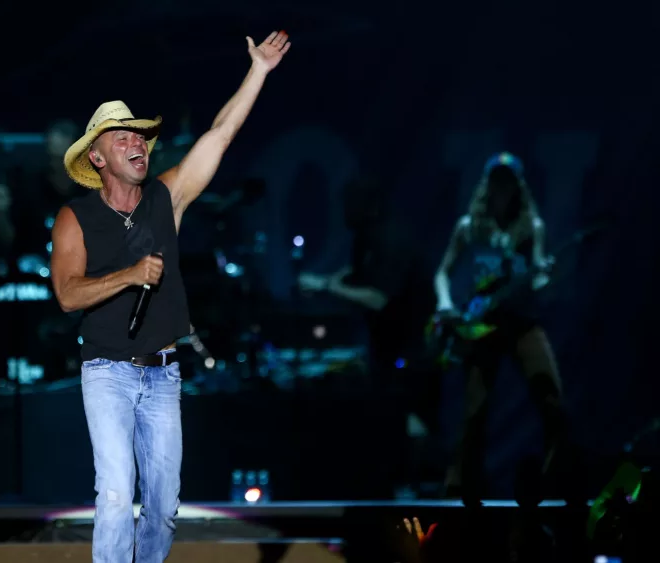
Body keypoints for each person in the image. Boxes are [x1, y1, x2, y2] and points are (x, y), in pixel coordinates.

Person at [50, 30, 290, 563]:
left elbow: (220, 134)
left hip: (162, 372)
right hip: (106, 372)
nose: (136, 144)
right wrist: (130, 274)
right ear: (97, 158)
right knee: (115, 493)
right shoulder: (75, 218)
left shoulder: (166, 197)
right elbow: (67, 295)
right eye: (122, 139)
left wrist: (258, 71)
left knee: (161, 505)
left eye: (139, 137)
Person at [434, 152, 564, 499]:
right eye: (496, 179)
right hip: (484, 325)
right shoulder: (469, 227)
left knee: (550, 395)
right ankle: (461, 487)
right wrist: (445, 304)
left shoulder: (531, 227)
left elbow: (538, 281)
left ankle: (555, 480)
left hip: (521, 322)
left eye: (508, 180)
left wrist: (545, 279)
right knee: (475, 409)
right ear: (486, 184)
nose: (502, 187)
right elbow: (443, 272)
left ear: (518, 186)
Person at [299, 177, 441, 491]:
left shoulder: (392, 240)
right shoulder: (365, 239)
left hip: (413, 352)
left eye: (351, 203)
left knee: (411, 421)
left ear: (370, 206)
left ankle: (414, 492)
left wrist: (327, 286)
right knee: (387, 421)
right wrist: (329, 281)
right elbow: (357, 277)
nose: (344, 211)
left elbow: (378, 298)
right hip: (387, 352)